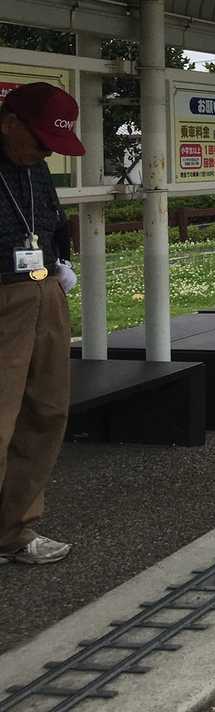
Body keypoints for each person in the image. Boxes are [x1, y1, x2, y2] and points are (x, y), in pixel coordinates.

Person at [1, 82, 84, 565]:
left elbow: (51, 220)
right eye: (41, 141)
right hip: (3, 295)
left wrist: (59, 264)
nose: (46, 152)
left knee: (47, 411)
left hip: (44, 287)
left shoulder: (35, 165)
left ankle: (15, 530)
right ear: (10, 122)